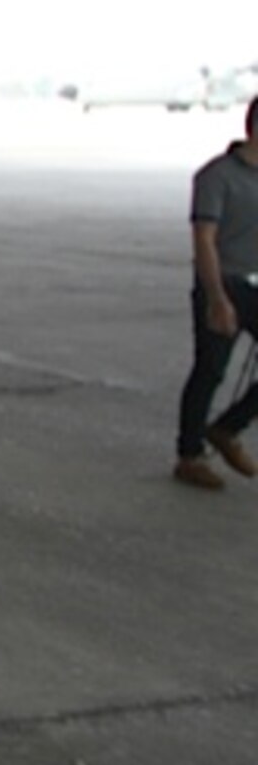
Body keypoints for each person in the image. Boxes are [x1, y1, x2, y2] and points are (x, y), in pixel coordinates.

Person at [172, 98, 258, 490]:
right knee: (210, 370)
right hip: (222, 283)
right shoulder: (216, 176)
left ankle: (226, 429)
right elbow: (204, 241)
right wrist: (217, 298)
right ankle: (189, 456)